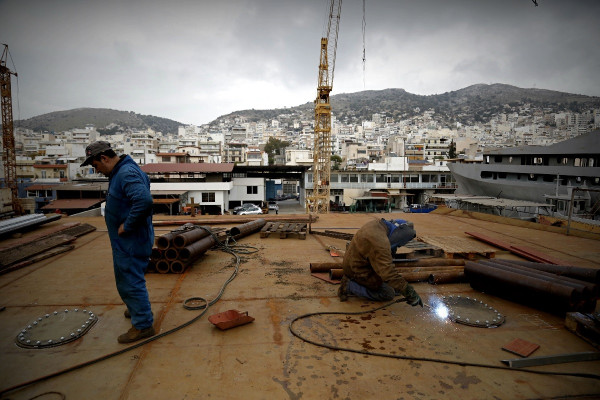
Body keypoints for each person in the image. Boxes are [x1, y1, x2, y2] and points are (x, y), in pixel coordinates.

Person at [81, 141, 156, 343]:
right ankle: (136, 309)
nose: (96, 170)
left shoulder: (125, 173)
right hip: (130, 239)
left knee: (130, 280)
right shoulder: (123, 171)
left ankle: (143, 325)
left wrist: (127, 225)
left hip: (131, 239)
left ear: (104, 158)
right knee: (129, 278)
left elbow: (144, 201)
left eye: (96, 165)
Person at [339, 218, 423, 306]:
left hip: (359, 262)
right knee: (388, 293)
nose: (398, 246)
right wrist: (409, 292)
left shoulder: (379, 225)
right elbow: (388, 272)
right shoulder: (380, 243)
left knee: (395, 287)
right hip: (356, 269)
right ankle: (349, 286)